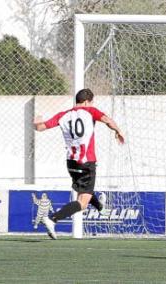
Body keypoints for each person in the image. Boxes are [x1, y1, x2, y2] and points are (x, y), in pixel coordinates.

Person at [34, 88, 124, 239]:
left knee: (85, 189)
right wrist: (118, 131)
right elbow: (108, 120)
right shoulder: (90, 111)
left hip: (71, 163)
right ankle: (52, 219)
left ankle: (100, 207)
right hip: (86, 162)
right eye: (91, 102)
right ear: (87, 101)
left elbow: (40, 127)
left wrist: (36, 120)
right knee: (82, 202)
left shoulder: (63, 115)